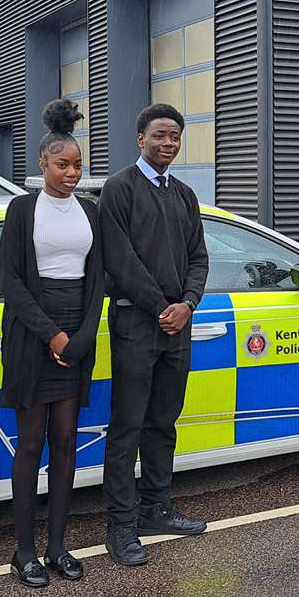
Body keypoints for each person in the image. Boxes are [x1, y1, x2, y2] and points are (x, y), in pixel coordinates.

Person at [0, 99, 105, 587]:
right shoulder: (22, 210)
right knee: (31, 444)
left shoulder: (91, 211)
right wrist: (52, 334)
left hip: (76, 334)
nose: (71, 173)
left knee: (66, 443)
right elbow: (10, 280)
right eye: (63, 164)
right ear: (42, 164)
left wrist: (81, 337)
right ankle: (24, 552)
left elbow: (97, 277)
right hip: (32, 335)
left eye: (78, 165)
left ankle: (58, 546)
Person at [97, 103, 209, 566]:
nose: (168, 143)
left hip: (176, 327)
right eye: (160, 135)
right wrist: (161, 306)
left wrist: (187, 304)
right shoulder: (118, 189)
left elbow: (199, 257)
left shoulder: (184, 194)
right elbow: (119, 260)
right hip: (135, 324)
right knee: (128, 427)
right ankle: (120, 526)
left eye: (175, 137)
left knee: (164, 422)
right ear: (140, 138)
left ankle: (156, 508)